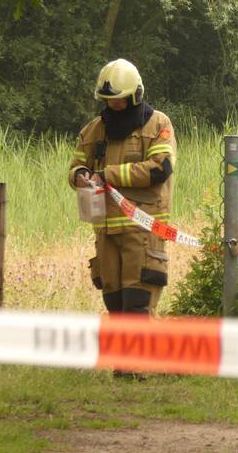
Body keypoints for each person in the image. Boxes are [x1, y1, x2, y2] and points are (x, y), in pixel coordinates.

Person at [69, 58, 175, 315]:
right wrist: (81, 175)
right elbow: (75, 168)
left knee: (138, 310)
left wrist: (108, 175)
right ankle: (119, 357)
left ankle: (144, 357)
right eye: (108, 100)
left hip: (142, 232)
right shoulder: (94, 130)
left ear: (135, 96)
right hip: (106, 234)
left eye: (119, 100)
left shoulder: (158, 124)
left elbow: (160, 168)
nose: (114, 106)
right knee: (116, 310)